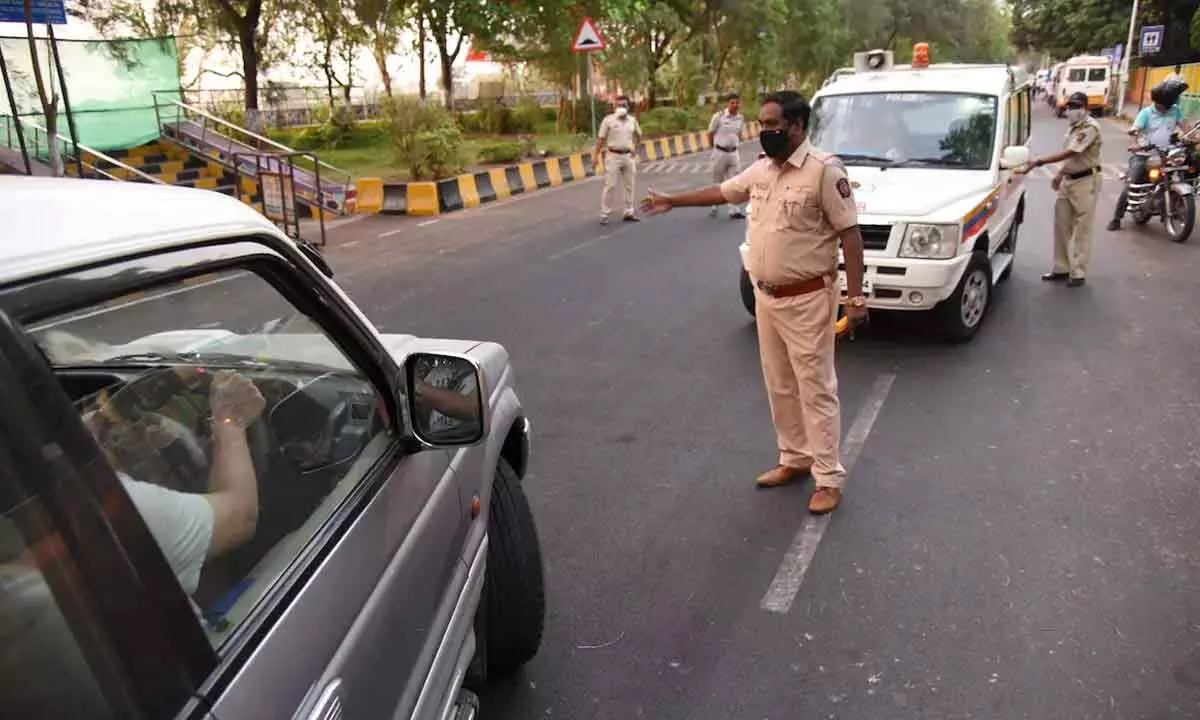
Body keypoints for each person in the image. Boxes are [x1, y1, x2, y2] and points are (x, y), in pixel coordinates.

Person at [641, 90, 867, 515]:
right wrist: (673, 201)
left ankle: (827, 476)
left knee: (815, 389)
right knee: (779, 383)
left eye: (770, 124)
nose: (764, 132)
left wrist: (855, 298)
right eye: (761, 125)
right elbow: (723, 192)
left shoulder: (824, 171)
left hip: (808, 299)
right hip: (766, 297)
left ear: (797, 126)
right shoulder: (762, 170)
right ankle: (794, 457)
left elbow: (850, 236)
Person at [88, 370, 265, 594]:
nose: (96, 425)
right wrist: (230, 420)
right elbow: (240, 518)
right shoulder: (126, 506)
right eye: (98, 424)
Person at [1020, 91, 1102, 287]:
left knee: (1083, 228)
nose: (1073, 110)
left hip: (1086, 181)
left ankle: (1078, 272)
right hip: (1069, 180)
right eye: (1070, 106)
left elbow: (1071, 152)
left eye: (1077, 106)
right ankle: (1061, 268)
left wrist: (1039, 162)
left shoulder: (1089, 128)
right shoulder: (1073, 128)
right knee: (1062, 225)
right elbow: (1072, 158)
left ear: (1086, 107)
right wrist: (1059, 175)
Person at [1107, 81, 1189, 231]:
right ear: (1161, 102)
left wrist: (1192, 137)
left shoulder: (1175, 110)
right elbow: (1135, 131)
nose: (1172, 104)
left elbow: (1185, 126)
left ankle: (1176, 207)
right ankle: (1117, 218)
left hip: (1168, 153)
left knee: (1182, 173)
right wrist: (1135, 144)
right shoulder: (1146, 113)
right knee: (1132, 183)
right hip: (1145, 154)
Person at [593, 95, 642, 225]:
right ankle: (604, 214)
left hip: (627, 156)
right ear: (614, 107)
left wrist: (635, 150)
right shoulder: (608, 120)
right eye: (619, 105)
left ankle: (629, 212)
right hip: (613, 156)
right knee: (610, 185)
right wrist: (595, 156)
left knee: (629, 185)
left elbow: (639, 135)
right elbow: (601, 139)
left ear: (628, 106)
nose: (621, 107)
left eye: (624, 105)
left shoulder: (632, 120)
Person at [708, 93, 746, 219]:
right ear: (728, 104)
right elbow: (710, 132)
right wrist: (713, 147)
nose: (735, 105)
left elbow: (739, 133)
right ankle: (714, 204)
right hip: (719, 153)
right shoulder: (718, 117)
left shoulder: (740, 118)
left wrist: (735, 143)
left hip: (734, 153)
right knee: (717, 181)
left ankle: (734, 210)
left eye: (737, 103)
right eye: (732, 103)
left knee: (734, 182)